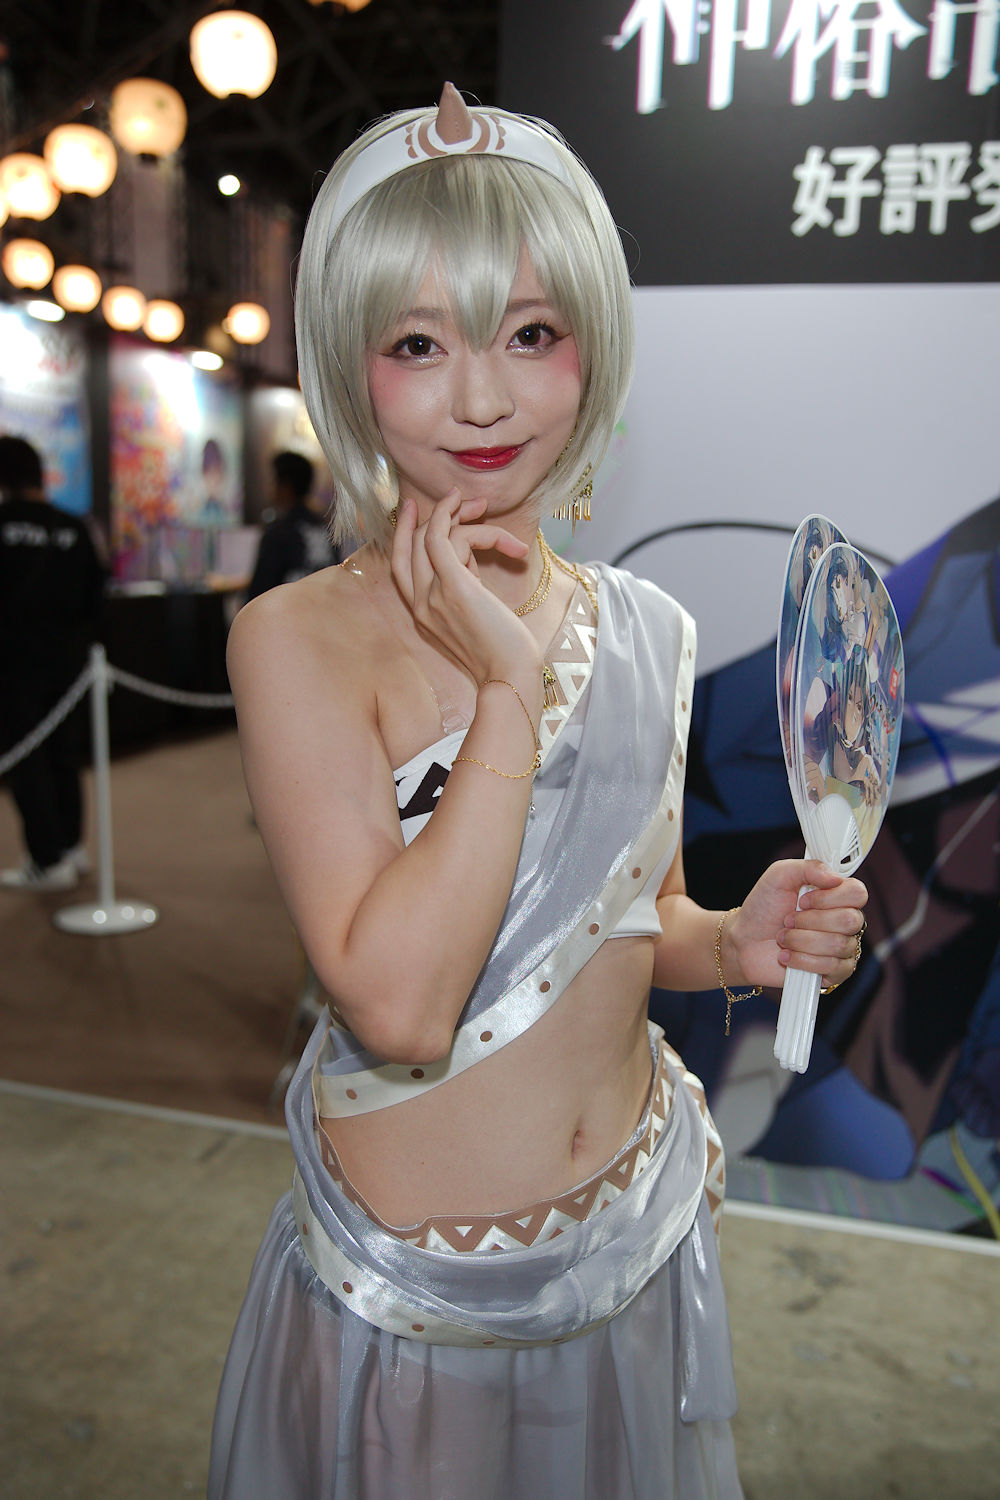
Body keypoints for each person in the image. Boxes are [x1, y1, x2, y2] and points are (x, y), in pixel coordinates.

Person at [209, 86, 867, 1499]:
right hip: (422, 1306)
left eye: (530, 334)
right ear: (350, 366)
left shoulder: (648, 627)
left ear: (591, 348)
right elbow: (400, 1006)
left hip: (635, 1240)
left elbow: (636, 920)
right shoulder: (297, 639)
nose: (483, 397)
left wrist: (732, 943)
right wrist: (508, 690)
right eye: (417, 344)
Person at [0, 435, 105, 891]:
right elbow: (96, 596)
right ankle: (71, 846)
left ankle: (47, 860)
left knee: (28, 759)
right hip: (68, 659)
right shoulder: (74, 527)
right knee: (64, 753)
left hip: (13, 663)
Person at [245, 449, 338, 600]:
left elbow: (259, 592)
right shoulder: (325, 527)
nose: (269, 486)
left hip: (287, 610)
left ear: (285, 486)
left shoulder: (278, 532)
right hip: (325, 608)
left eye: (272, 480)